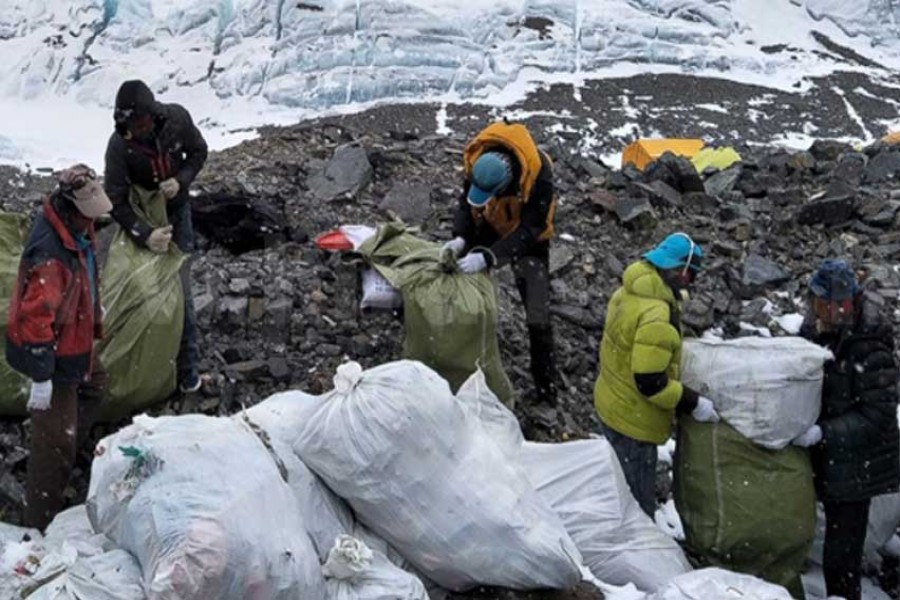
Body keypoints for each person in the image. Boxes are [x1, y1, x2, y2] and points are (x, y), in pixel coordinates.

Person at [6, 165, 112, 530]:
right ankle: (38, 527)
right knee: (52, 454)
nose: (93, 222)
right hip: (53, 352)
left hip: (73, 338)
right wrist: (41, 376)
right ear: (70, 208)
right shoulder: (51, 254)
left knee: (96, 384)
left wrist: (93, 307)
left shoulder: (77, 230)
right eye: (88, 214)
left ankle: (68, 439)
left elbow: (85, 272)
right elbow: (35, 320)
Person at [794, 259, 900, 600]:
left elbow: (877, 415)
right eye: (824, 303)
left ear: (852, 301)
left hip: (858, 468)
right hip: (831, 462)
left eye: (839, 303)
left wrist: (824, 433)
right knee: (834, 548)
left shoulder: (869, 346)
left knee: (842, 557)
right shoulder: (815, 333)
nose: (832, 310)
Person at [593, 232, 719, 516]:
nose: (691, 283)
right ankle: (635, 552)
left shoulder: (630, 289)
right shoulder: (656, 315)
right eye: (690, 275)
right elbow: (650, 383)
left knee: (618, 486)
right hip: (633, 421)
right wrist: (693, 403)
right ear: (680, 272)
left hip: (611, 402)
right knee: (636, 506)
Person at [103, 79, 208, 393]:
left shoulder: (177, 120)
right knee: (139, 290)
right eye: (128, 125)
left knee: (182, 291)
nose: (133, 131)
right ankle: (142, 371)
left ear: (151, 116)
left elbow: (199, 152)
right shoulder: (119, 145)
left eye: (138, 123)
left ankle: (187, 373)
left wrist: (181, 180)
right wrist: (145, 235)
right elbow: (115, 201)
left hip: (178, 215)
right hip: (143, 219)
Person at [444, 120, 558, 403]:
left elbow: (531, 229)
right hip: (492, 220)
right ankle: (461, 353)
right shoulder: (479, 160)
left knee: (537, 313)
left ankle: (546, 388)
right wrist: (461, 237)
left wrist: (489, 256)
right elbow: (467, 203)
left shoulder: (539, 176)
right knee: (455, 274)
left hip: (529, 239)